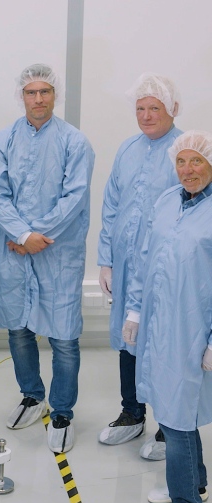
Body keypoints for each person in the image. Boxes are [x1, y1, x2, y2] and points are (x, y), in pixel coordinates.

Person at [0, 64, 94, 453]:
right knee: (19, 329)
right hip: (14, 250)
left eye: (45, 91)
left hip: (57, 252)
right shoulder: (3, 140)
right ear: (22, 96)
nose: (39, 99)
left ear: (54, 95)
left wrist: (36, 235)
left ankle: (62, 411)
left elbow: (74, 197)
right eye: (31, 92)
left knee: (64, 338)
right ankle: (32, 395)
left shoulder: (74, 142)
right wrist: (22, 234)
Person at [123, 130, 212, 503]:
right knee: (171, 404)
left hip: (193, 328)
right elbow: (145, 260)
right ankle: (195, 481)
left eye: (197, 162)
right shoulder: (167, 202)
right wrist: (135, 311)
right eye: (181, 162)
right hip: (161, 324)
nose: (188, 170)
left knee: (178, 413)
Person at [96, 74, 182, 459]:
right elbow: (111, 205)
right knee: (128, 338)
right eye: (140, 108)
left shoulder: (184, 151)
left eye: (155, 108)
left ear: (172, 110)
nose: (147, 116)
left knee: (162, 343)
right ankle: (132, 414)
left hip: (166, 268)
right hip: (127, 264)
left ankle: (170, 426)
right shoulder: (128, 149)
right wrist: (106, 260)